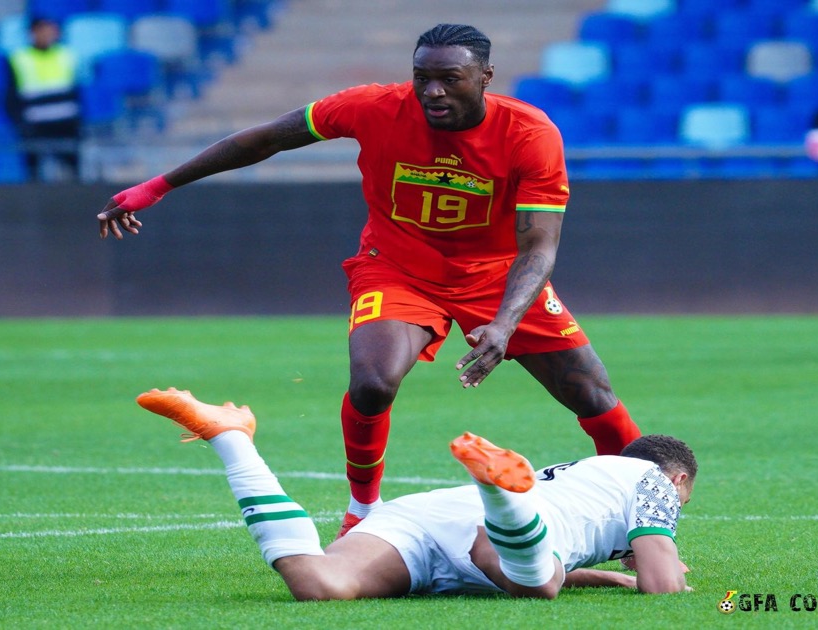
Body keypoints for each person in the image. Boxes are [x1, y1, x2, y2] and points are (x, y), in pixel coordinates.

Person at [97, 24, 643, 538]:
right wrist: (157, 186)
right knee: (373, 382)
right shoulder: (372, 107)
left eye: (449, 79)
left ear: (485, 78)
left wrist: (504, 324)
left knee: (591, 394)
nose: (432, 91)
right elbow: (266, 139)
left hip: (497, 276)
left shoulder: (529, 133)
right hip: (397, 268)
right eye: (422, 77)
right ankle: (362, 510)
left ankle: (644, 518)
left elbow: (539, 246)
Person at [135, 387, 696, 599]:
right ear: (678, 482)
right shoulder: (653, 482)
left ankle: (231, 438)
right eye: (682, 502)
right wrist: (726, 601)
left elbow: (579, 559)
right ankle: (501, 497)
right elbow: (664, 587)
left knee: (321, 585)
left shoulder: (589, 476)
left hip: (432, 519)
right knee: (539, 583)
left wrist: (610, 576)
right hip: (497, 538)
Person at [7, 16, 82, 181]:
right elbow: (11, 94)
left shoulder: (66, 56)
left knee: (73, 171)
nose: (47, 34)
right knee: (34, 172)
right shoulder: (19, 58)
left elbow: (76, 91)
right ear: (32, 32)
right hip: (34, 123)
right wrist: (20, 122)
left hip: (65, 123)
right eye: (42, 30)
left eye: (50, 30)